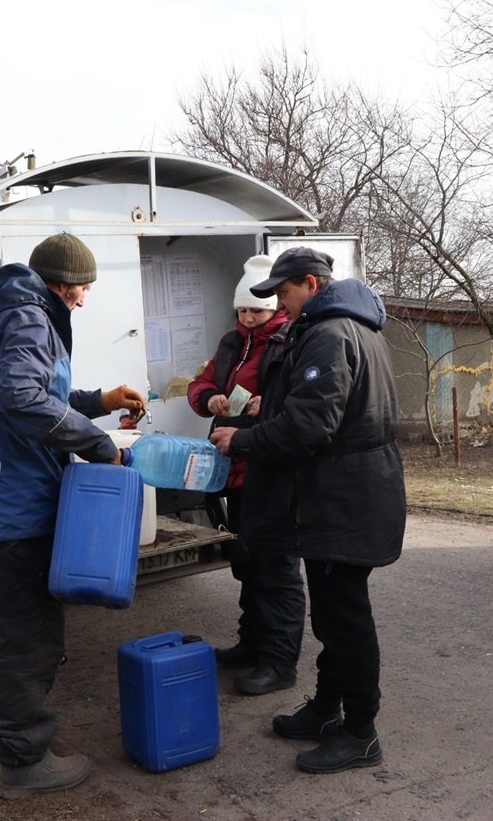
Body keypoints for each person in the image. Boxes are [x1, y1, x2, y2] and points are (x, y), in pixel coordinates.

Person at [0, 232, 145, 800]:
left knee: (4, 626)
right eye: (83, 290)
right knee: (32, 638)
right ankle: (23, 759)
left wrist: (98, 399)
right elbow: (24, 401)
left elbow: (37, 392)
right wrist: (100, 443)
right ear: (63, 285)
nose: (84, 301)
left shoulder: (12, 310)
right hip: (13, 505)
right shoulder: (32, 317)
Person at [209, 247, 406, 775]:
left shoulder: (330, 332)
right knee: (333, 613)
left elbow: (309, 426)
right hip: (344, 493)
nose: (278, 302)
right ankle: (325, 709)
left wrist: (244, 440)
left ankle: (361, 732)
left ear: (311, 285)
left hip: (343, 498)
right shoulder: (350, 327)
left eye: (283, 291)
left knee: (345, 618)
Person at [186, 254, 304, 696]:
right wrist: (212, 397)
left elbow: (298, 401)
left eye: (258, 310)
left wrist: (266, 402)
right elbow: (199, 384)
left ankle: (279, 660)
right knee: (248, 563)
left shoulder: (289, 341)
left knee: (276, 568)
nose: (250, 318)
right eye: (243, 310)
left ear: (275, 307)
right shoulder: (231, 343)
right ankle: (252, 643)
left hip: (268, 466)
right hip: (232, 469)